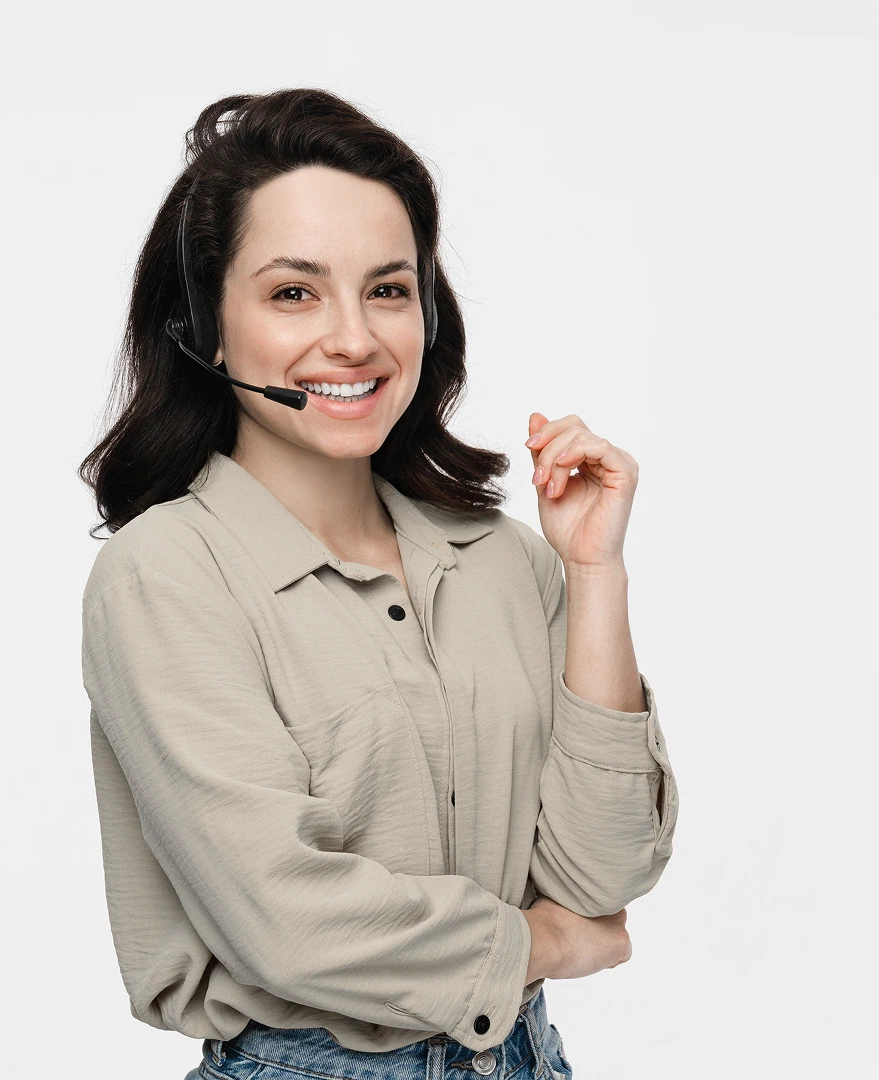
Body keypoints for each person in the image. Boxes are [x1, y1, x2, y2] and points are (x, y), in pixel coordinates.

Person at [78, 87, 678, 1080]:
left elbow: (603, 873)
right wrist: (539, 949)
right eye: (293, 293)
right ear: (206, 330)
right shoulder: (163, 576)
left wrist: (593, 571)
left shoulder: (503, 560)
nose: (354, 339)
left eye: (389, 290)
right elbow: (286, 917)